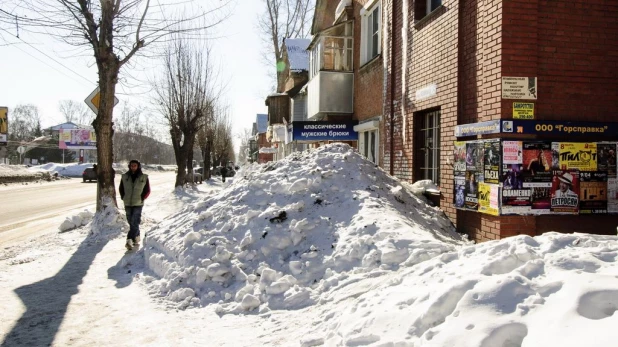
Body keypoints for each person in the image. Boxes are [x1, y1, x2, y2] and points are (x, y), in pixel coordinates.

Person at [119, 159, 151, 250]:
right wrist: (123, 197)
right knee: (130, 220)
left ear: (138, 166)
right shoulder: (125, 177)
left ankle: (129, 239)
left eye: (135, 166)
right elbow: (121, 188)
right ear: (129, 166)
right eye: (132, 166)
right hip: (127, 202)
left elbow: (147, 190)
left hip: (138, 203)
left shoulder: (144, 177)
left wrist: (142, 198)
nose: (133, 167)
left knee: (134, 220)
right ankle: (136, 236)